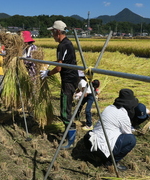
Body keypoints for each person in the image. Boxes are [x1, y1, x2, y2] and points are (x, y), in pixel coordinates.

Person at [41, 20, 79, 149]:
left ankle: (71, 140)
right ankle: (69, 133)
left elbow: (59, 68)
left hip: (68, 81)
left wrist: (48, 74)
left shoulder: (62, 45)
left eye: (52, 32)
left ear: (57, 31)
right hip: (71, 79)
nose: (52, 35)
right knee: (66, 108)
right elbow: (61, 62)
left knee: (64, 110)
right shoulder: (68, 43)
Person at [84, 88, 137, 171]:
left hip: (90, 141)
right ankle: (111, 162)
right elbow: (127, 133)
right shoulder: (123, 115)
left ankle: (95, 155)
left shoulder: (109, 107)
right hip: (102, 149)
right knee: (131, 140)